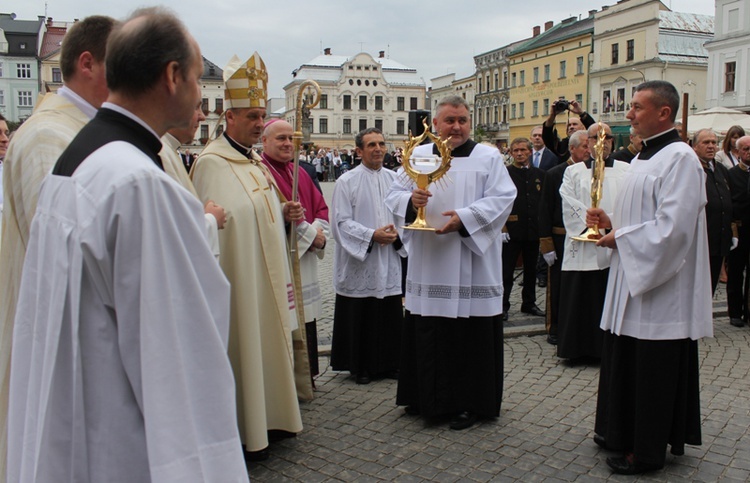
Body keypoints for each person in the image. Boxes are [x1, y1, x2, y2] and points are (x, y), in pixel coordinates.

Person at [7, 9, 248, 481]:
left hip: (75, 418)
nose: (202, 96)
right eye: (199, 79)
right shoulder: (137, 182)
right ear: (173, 76)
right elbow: (177, 362)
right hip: (120, 440)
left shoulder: (82, 157)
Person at [0, 16, 117, 480]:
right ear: (87, 63)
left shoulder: (86, 125)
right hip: (60, 343)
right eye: (120, 65)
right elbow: (64, 259)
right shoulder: (50, 134)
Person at [588, 80, 712, 475]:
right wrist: (614, 223)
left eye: (637, 107)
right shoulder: (644, 158)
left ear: (664, 113)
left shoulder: (681, 159)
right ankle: (621, 432)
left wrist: (619, 238)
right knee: (628, 360)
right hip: (633, 275)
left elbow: (673, 230)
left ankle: (646, 451)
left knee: (652, 368)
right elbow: (644, 217)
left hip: (662, 287)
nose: (628, 115)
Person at [190, 52, 304, 462]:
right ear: (230, 118)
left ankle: (274, 416)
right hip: (241, 285)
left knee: (269, 344)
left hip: (269, 280)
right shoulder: (210, 164)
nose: (260, 123)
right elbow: (213, 227)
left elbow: (260, 214)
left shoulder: (254, 161)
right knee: (246, 347)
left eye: (262, 115)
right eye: (252, 116)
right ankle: (246, 427)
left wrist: (283, 214)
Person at [386, 95, 516, 431]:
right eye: (449, 120)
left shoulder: (487, 157)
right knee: (429, 329)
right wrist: (409, 200)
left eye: (462, 120)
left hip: (471, 259)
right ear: (436, 123)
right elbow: (392, 195)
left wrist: (466, 219)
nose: (456, 127)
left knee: (468, 334)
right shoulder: (419, 155)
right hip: (430, 259)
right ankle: (423, 397)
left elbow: (503, 198)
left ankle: (469, 403)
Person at [331, 128, 405, 384]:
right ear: (359, 151)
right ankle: (359, 366)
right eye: (371, 144)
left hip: (389, 255)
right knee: (361, 312)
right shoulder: (346, 181)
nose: (378, 149)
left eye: (381, 144)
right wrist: (371, 235)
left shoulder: (395, 179)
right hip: (361, 259)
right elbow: (340, 222)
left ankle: (390, 363)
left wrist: (397, 234)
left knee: (388, 311)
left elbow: (403, 215)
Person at [261, 118, 329, 380]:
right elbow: (268, 216)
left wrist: (317, 234)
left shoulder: (300, 171)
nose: (288, 143)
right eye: (281, 138)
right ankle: (287, 382)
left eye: (291, 138)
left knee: (306, 317)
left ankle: (307, 377)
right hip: (281, 261)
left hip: (305, 259)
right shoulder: (261, 173)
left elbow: (321, 208)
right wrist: (313, 236)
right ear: (264, 141)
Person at [557, 122, 629, 361]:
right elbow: (567, 201)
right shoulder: (574, 171)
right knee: (581, 299)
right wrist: (589, 222)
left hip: (611, 242)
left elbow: (630, 205)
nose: (602, 141)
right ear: (586, 142)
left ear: (612, 142)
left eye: (607, 137)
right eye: (596, 137)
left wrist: (609, 223)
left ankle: (606, 349)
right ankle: (577, 350)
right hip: (581, 244)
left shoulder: (626, 170)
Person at [538, 130, 589, 346]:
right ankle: (555, 327)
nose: (589, 150)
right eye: (585, 146)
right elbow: (545, 209)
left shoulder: (592, 172)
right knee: (558, 285)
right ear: (573, 148)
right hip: (559, 238)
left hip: (585, 238)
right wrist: (546, 243)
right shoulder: (555, 173)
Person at [160, 105, 226, 259]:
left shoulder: (169, 149)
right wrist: (210, 220)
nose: (202, 116)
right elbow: (171, 232)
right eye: (195, 107)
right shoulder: (160, 153)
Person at [502, 137, 545, 321]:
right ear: (511, 153)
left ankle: (529, 302)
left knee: (530, 270)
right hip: (512, 229)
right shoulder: (506, 173)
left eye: (523, 150)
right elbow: (500, 202)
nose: (519, 153)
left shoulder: (540, 175)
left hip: (532, 229)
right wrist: (503, 227)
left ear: (529, 152)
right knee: (507, 270)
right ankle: (503, 304)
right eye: (516, 150)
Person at [693, 129, 735, 295]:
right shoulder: (693, 168)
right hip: (702, 239)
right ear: (695, 146)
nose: (711, 146)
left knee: (710, 286)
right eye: (706, 142)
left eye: (713, 142)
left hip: (720, 240)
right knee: (698, 288)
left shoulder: (721, 170)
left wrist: (733, 232)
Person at [726, 135, 750, 327]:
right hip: (739, 230)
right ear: (738, 152)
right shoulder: (731, 174)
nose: (749, 152)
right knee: (735, 272)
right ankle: (735, 312)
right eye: (745, 149)